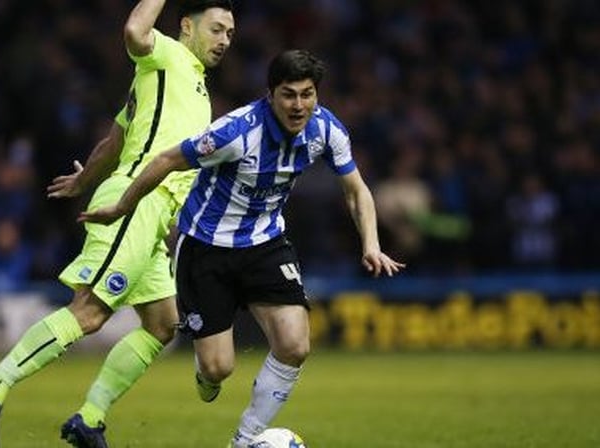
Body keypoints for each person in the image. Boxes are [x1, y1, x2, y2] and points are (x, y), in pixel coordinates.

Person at [80, 49, 406, 447]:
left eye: (307, 94)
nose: (299, 105)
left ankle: (245, 439)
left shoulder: (326, 130)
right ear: (270, 95)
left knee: (295, 344)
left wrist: (371, 244)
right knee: (218, 369)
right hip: (205, 249)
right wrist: (122, 205)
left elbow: (356, 191)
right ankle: (206, 374)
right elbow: (166, 159)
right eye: (289, 94)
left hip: (265, 244)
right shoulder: (235, 132)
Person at [0, 1, 235, 447]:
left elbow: (116, 138)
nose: (224, 41)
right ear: (187, 26)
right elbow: (133, 29)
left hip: (154, 215)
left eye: (230, 34)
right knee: (89, 312)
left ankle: (89, 419)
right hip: (136, 204)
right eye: (217, 29)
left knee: (163, 326)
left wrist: (84, 178)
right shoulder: (163, 53)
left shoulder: (177, 82)